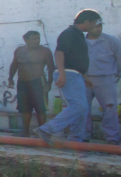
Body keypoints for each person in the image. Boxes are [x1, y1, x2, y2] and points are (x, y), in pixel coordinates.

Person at [36, 9, 102, 146]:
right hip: (69, 73)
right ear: (87, 21)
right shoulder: (69, 33)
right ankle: (46, 129)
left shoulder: (78, 35)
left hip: (76, 74)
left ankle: (76, 139)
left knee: (83, 108)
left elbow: (74, 59)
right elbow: (59, 53)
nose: (95, 26)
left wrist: (84, 76)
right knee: (79, 106)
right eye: (94, 23)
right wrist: (62, 73)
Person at [83, 20, 121, 144]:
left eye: (100, 26)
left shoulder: (112, 41)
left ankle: (112, 137)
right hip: (84, 79)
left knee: (109, 109)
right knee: (82, 108)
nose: (98, 29)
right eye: (95, 26)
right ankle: (83, 135)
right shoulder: (80, 41)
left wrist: (116, 75)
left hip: (105, 80)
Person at [7, 31, 55, 137]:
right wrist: (10, 78)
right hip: (22, 82)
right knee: (25, 109)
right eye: (34, 39)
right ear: (26, 40)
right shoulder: (19, 51)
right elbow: (14, 65)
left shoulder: (45, 51)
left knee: (40, 109)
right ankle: (25, 131)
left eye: (38, 38)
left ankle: (43, 131)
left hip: (38, 82)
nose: (37, 41)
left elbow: (51, 68)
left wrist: (49, 83)